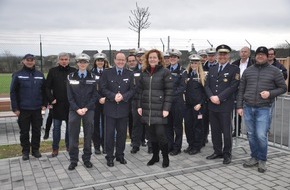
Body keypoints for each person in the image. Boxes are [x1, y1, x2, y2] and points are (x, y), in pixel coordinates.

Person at [237, 46, 287, 173]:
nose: (260, 56)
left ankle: (262, 160)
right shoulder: (248, 71)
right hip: (248, 107)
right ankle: (254, 157)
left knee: (260, 135)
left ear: (267, 56)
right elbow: (241, 89)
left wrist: (270, 93)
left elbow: (283, 88)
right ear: (255, 56)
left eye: (262, 54)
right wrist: (239, 106)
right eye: (258, 54)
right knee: (251, 135)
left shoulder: (275, 71)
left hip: (264, 108)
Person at [137, 49, 173, 167]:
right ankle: (155, 156)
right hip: (147, 109)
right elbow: (140, 91)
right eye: (150, 57)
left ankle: (165, 157)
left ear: (159, 59)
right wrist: (139, 106)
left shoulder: (165, 72)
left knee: (161, 135)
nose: (152, 59)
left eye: (154, 57)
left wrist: (166, 108)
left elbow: (169, 91)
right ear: (147, 59)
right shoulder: (144, 72)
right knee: (151, 136)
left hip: (160, 109)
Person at [204, 44, 240, 165]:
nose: (222, 56)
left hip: (225, 105)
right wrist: (211, 97)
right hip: (212, 105)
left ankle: (227, 154)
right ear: (217, 55)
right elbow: (207, 85)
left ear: (228, 56)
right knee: (215, 130)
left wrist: (219, 97)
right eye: (220, 54)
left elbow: (233, 86)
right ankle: (217, 151)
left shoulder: (234, 69)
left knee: (226, 131)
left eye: (224, 54)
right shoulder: (212, 68)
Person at [100, 52, 135, 167]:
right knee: (109, 134)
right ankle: (109, 157)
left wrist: (123, 97)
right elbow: (103, 88)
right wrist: (113, 96)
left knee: (122, 134)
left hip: (123, 109)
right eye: (118, 60)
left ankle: (120, 155)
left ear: (125, 61)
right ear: (114, 60)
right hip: (110, 109)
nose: (120, 62)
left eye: (122, 60)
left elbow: (132, 90)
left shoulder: (129, 74)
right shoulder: (106, 73)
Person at [10, 54, 47, 160]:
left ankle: (35, 150)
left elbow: (44, 91)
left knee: (37, 131)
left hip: (37, 109)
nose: (30, 62)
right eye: (28, 60)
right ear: (23, 61)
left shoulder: (40, 75)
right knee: (24, 132)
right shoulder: (18, 74)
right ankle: (25, 151)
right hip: (23, 109)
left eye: (32, 60)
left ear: (34, 62)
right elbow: (13, 92)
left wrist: (44, 104)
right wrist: (15, 108)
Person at [66, 53, 98, 170]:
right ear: (77, 63)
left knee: (88, 136)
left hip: (88, 110)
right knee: (73, 136)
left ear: (88, 63)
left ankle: (87, 159)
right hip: (74, 110)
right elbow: (69, 96)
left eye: (85, 62)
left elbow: (94, 95)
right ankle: (73, 160)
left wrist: (86, 108)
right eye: (80, 62)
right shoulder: (70, 77)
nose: (82, 64)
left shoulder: (93, 77)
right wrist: (77, 109)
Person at [46, 52, 77, 157]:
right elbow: (47, 87)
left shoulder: (74, 71)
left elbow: (78, 88)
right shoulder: (52, 71)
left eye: (66, 59)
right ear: (58, 60)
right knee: (56, 128)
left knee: (70, 128)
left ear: (69, 60)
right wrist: (51, 99)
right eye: (62, 59)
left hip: (70, 105)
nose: (64, 61)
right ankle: (55, 148)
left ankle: (69, 146)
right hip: (57, 105)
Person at [184, 54, 206, 155]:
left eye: (196, 63)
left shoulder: (202, 76)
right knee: (188, 126)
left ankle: (197, 146)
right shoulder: (186, 74)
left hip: (198, 106)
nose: (194, 64)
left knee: (197, 127)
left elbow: (206, 92)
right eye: (192, 63)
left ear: (199, 64)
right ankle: (190, 145)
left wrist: (200, 104)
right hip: (188, 105)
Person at [167, 48, 186, 156]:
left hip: (177, 103)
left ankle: (177, 147)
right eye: (171, 57)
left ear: (178, 59)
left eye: (174, 57)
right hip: (167, 104)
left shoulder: (182, 71)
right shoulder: (165, 70)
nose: (172, 58)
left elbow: (182, 87)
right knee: (168, 126)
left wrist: (170, 95)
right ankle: (170, 146)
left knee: (177, 126)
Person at [231, 47, 254, 137]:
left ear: (249, 53)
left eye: (245, 52)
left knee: (250, 112)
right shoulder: (235, 64)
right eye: (242, 52)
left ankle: (250, 132)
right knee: (237, 112)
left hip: (249, 91)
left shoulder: (254, 63)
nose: (243, 53)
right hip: (237, 91)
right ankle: (237, 130)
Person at [91, 52, 108, 154]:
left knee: (106, 125)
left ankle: (105, 145)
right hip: (95, 103)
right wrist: (99, 98)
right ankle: (97, 146)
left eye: (102, 60)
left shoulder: (108, 72)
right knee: (95, 125)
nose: (100, 62)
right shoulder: (91, 73)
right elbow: (91, 89)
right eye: (98, 60)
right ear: (95, 62)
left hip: (107, 102)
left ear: (104, 62)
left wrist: (105, 98)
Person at [202, 47, 217, 146]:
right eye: (209, 56)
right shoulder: (202, 67)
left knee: (215, 121)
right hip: (203, 97)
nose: (210, 57)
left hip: (214, 97)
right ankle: (204, 138)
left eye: (212, 55)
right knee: (203, 120)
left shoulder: (218, 66)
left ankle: (216, 140)